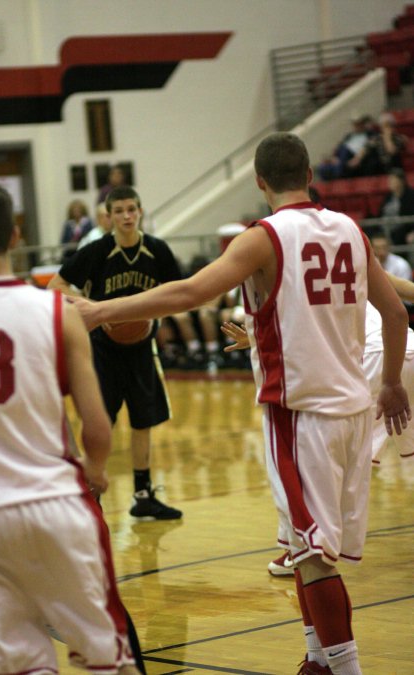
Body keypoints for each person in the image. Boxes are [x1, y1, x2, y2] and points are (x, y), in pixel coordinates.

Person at [72, 132, 411, 674]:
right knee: (307, 549)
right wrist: (391, 382)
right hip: (354, 409)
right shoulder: (351, 229)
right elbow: (396, 314)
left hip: (303, 415)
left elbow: (189, 293)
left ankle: (346, 669)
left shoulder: (265, 238)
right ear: (309, 174)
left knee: (315, 559)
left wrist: (99, 312)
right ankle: (318, 659)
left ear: (258, 181)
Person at [0, 179, 141, 675]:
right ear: (16, 237)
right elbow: (97, 425)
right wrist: (97, 470)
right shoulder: (57, 312)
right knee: (111, 661)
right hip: (55, 506)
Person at [222, 268, 414, 576]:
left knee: (321, 461)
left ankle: (299, 546)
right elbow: (404, 294)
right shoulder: (352, 250)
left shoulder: (293, 260)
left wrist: (258, 337)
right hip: (406, 349)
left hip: (369, 359)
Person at [48, 186, 183, 521]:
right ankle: (90, 492)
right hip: (102, 351)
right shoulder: (96, 251)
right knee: (100, 421)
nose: (126, 216)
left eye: (131, 209)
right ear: (108, 216)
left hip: (142, 348)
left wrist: (152, 314)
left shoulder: (157, 250)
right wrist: (98, 310)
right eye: (119, 210)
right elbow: (56, 285)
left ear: (140, 211)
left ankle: (143, 495)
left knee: (143, 421)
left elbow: (179, 292)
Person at [378, 168, 414, 247]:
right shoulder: (388, 197)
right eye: (389, 180)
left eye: (392, 180)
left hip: (404, 229)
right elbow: (380, 213)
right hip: (386, 228)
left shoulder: (411, 195)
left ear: (401, 181)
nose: (389, 182)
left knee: (399, 234)